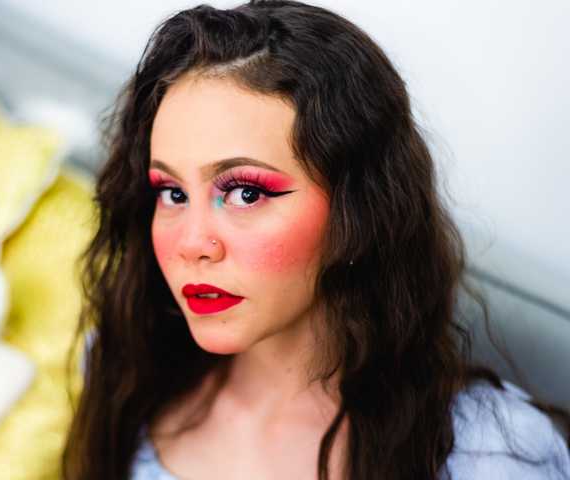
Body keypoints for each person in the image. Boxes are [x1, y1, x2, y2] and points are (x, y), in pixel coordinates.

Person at [61, 1, 570, 479]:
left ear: (359, 207)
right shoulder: (128, 369)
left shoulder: (490, 454)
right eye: (172, 193)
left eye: (245, 193)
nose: (192, 243)